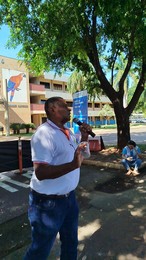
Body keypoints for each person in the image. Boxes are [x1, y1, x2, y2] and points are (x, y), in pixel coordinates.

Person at [24, 96, 92, 260]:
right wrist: (72, 165)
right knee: (40, 249)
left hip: (69, 199)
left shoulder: (67, 132)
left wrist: (84, 138)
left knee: (70, 242)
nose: (68, 109)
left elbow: (80, 155)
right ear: (52, 109)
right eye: (64, 106)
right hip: (47, 203)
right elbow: (40, 172)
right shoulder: (44, 134)